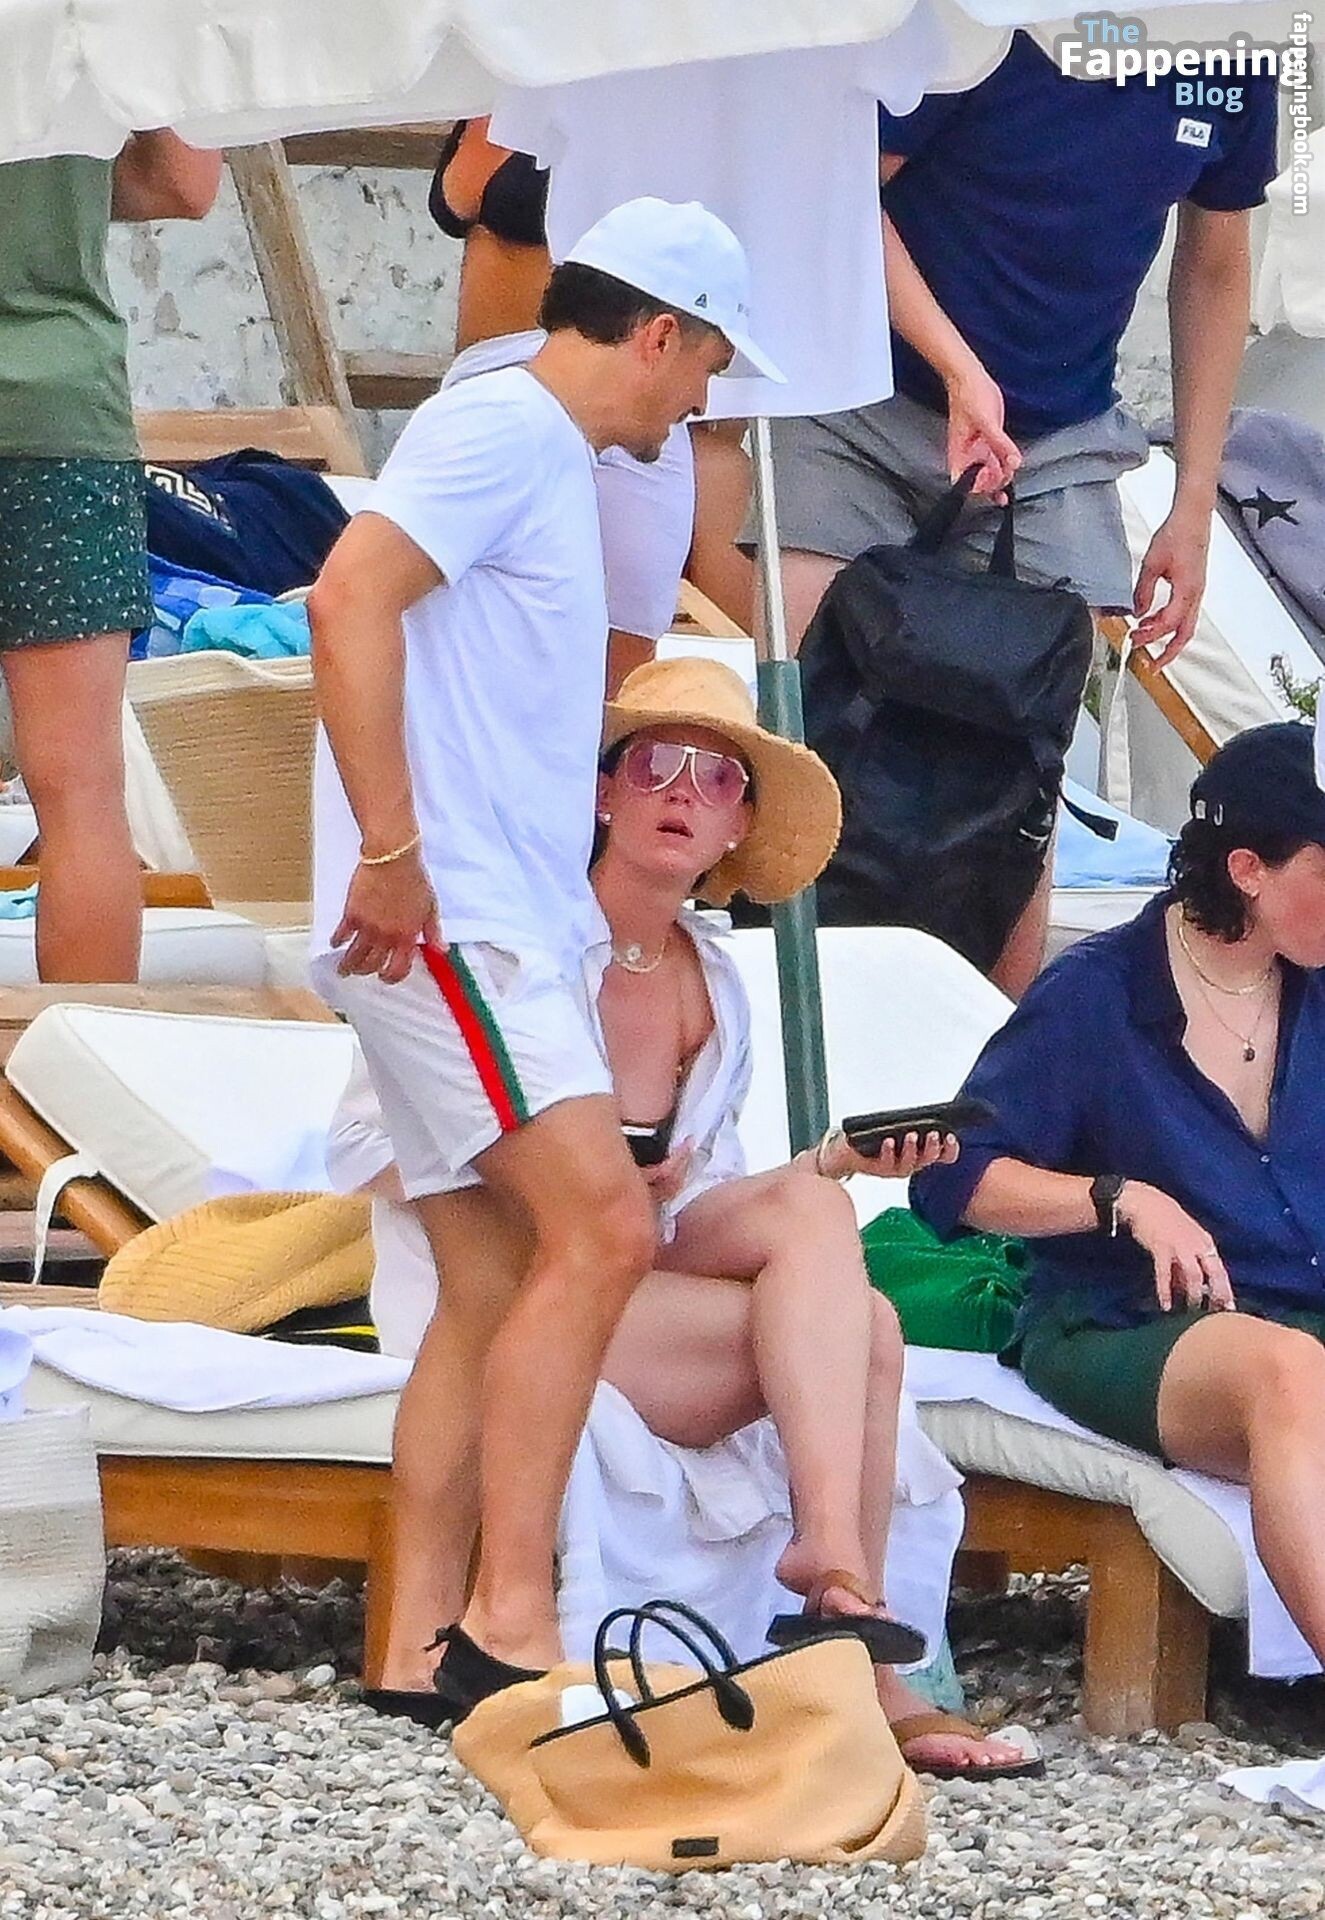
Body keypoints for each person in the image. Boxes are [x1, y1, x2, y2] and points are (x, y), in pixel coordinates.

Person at [332, 656, 1032, 1777]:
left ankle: (835, 1574)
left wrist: (829, 1163)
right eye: (656, 763)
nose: (681, 793)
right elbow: (373, 1145)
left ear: (737, 827)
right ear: (602, 792)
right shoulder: (514, 952)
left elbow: (700, 1204)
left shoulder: (712, 976)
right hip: (511, 1290)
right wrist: (571, 1181)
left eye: (717, 780)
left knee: (817, 1219)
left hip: (641, 1278)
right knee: (862, 1332)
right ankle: (860, 1651)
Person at [308, 199, 781, 1717]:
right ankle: (512, 1623)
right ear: (660, 333)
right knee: (604, 1232)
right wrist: (392, 848)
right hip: (453, 914)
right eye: (704, 365)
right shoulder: (506, 427)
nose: (699, 399)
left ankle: (416, 1649)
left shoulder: (536, 444)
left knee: (493, 1277)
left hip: (466, 911)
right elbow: (345, 596)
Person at [769, 35, 1278, 994]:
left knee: (1017, 787)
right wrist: (956, 366)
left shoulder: (1231, 45)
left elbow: (1215, 266)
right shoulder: (987, 25)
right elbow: (839, 192)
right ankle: (792, 1032)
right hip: (862, 403)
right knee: (811, 744)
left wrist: (1191, 504)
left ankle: (988, 1061)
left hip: (1056, 438)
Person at [912, 723, 1325, 1669]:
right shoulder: (1096, 994)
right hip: (1127, 1318)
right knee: (1288, 1373)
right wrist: (1118, 1198)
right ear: (1248, 870)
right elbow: (956, 1172)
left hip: (1298, 1307)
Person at [0, 136, 221, 982]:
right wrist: (58, 195)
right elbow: (184, 183)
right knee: (81, 790)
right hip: (60, 409)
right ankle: (90, 1046)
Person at [428, 117, 728, 665]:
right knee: (461, 631)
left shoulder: (650, 89)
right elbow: (464, 198)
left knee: (615, 673)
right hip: (491, 382)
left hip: (620, 381)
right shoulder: (502, 79)